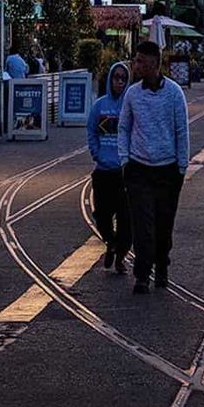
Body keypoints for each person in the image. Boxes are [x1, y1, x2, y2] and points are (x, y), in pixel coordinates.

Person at [119, 40, 190, 294]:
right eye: (136, 60)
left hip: (167, 169)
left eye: (140, 61)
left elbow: (182, 130)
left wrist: (182, 166)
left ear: (154, 64)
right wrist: (124, 160)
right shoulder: (132, 94)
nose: (135, 65)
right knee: (142, 225)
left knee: (163, 225)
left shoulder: (173, 93)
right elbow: (124, 127)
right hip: (138, 168)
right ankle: (141, 274)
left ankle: (162, 266)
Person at [87, 61, 132, 273]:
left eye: (123, 78)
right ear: (110, 79)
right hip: (103, 170)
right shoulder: (99, 105)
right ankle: (110, 243)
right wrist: (96, 153)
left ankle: (120, 256)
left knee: (126, 220)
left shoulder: (130, 105)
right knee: (101, 216)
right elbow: (91, 131)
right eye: (116, 77)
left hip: (123, 172)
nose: (119, 82)